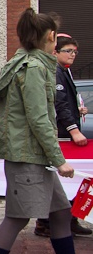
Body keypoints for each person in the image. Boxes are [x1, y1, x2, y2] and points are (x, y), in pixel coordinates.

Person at [0, 8, 93, 254]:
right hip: (28, 155)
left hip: (32, 155)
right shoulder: (35, 68)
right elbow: (40, 119)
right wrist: (59, 159)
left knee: (61, 214)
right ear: (48, 38)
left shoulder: (26, 62)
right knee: (17, 217)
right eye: (55, 38)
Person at [35, 34, 92, 237]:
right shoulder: (55, 72)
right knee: (62, 179)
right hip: (61, 135)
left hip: (65, 131)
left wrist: (77, 110)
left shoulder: (65, 72)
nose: (73, 55)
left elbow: (66, 102)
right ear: (55, 52)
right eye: (68, 51)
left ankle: (70, 219)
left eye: (75, 52)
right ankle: (45, 222)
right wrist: (73, 130)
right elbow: (59, 103)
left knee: (73, 179)